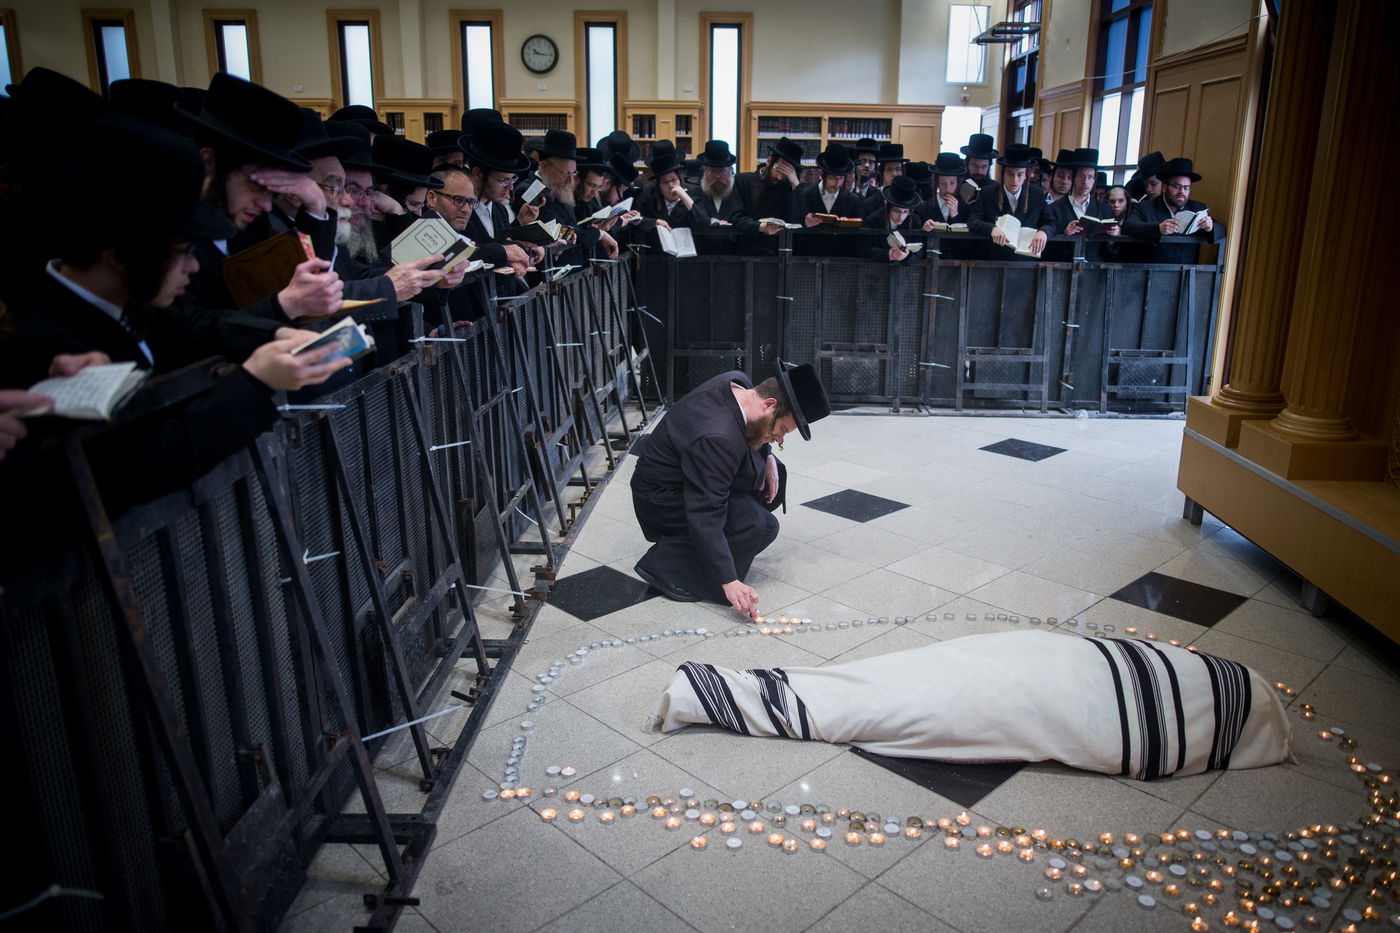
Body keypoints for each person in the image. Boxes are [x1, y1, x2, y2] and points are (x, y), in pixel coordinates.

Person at [630, 361, 830, 615]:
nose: (780, 439)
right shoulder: (717, 436)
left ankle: (697, 555)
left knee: (771, 487)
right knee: (756, 525)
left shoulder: (740, 383)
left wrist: (767, 455)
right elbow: (705, 512)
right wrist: (729, 582)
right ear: (770, 405)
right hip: (662, 500)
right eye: (782, 430)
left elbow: (753, 429)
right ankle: (665, 565)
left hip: (688, 477)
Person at [1123, 157, 1224, 260]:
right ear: (1164, 187)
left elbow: (1221, 229)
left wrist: (1210, 227)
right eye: (1177, 186)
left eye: (1186, 187)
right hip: (1151, 273)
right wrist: (1158, 228)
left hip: (1186, 273)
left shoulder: (1197, 208)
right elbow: (1128, 226)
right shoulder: (1145, 207)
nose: (1182, 192)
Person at [969, 143, 1048, 257]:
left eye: (1019, 175)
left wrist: (1043, 232)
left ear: (1026, 175)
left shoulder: (1036, 194)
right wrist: (992, 229)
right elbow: (973, 221)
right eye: (1010, 174)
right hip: (994, 260)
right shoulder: (988, 193)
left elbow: (1051, 222)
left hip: (1025, 262)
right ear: (1003, 174)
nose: (1014, 180)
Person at [1041, 148, 1119, 237]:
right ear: (1073, 177)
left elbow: (1108, 248)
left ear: (1094, 180)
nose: (1085, 182)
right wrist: (1064, 233)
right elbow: (1049, 244)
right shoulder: (1054, 209)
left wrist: (1113, 238)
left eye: (1090, 177)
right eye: (1082, 176)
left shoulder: (1105, 210)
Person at [862, 176, 923, 262]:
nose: (901, 217)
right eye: (897, 211)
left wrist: (907, 256)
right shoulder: (874, 220)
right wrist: (888, 254)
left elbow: (920, 251)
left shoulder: (915, 221)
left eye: (905, 212)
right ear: (888, 207)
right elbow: (863, 249)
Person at [799, 143, 862, 223]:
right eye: (832, 178)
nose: (837, 184)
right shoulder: (806, 194)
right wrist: (804, 223)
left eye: (841, 178)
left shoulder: (852, 200)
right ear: (822, 174)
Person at [916, 152, 975, 228]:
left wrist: (955, 215)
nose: (948, 189)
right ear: (937, 183)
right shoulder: (923, 208)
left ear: (958, 183)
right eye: (943, 183)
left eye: (952, 183)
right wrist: (924, 229)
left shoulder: (966, 208)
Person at [960, 133, 998, 203]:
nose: (979, 171)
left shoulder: (997, 189)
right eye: (974, 166)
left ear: (989, 166)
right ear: (966, 164)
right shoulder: (955, 186)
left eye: (984, 167)